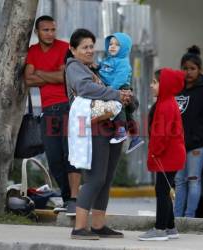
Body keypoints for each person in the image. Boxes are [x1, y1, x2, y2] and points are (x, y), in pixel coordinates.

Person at [65, 28, 132, 240]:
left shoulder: (98, 68)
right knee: (95, 179)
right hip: (94, 128)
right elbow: (84, 89)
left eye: (92, 46)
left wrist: (127, 97)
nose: (89, 50)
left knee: (106, 179)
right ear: (73, 50)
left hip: (110, 128)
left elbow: (118, 86)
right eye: (84, 47)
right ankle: (79, 227)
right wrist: (116, 94)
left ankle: (98, 225)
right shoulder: (74, 67)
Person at [24, 15, 81, 216]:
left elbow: (64, 77)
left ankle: (74, 198)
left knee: (70, 155)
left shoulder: (65, 48)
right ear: (37, 32)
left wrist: (40, 73)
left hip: (67, 108)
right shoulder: (32, 51)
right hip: (47, 111)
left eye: (53, 29)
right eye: (45, 30)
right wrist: (51, 75)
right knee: (54, 158)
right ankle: (67, 199)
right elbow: (27, 80)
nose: (50, 33)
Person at [138, 68, 186, 241]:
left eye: (155, 82)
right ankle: (170, 228)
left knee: (162, 190)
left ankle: (160, 229)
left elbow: (161, 135)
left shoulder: (165, 105)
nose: (151, 85)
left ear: (165, 85)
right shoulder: (166, 101)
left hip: (167, 155)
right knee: (164, 189)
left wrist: (154, 153)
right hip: (171, 154)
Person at [174, 45, 203, 218]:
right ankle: (176, 217)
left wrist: (197, 139)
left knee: (193, 180)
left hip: (197, 145)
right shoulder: (177, 89)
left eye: (192, 69)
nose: (188, 72)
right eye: (185, 69)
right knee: (179, 181)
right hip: (178, 143)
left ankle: (189, 216)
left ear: (200, 70)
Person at [98, 32, 144, 153]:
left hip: (120, 87)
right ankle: (135, 137)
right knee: (128, 116)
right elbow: (103, 70)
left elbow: (120, 78)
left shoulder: (123, 62)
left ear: (124, 48)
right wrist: (95, 66)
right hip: (113, 87)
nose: (112, 46)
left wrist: (111, 90)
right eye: (111, 44)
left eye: (117, 45)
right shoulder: (108, 60)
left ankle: (121, 131)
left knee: (119, 108)